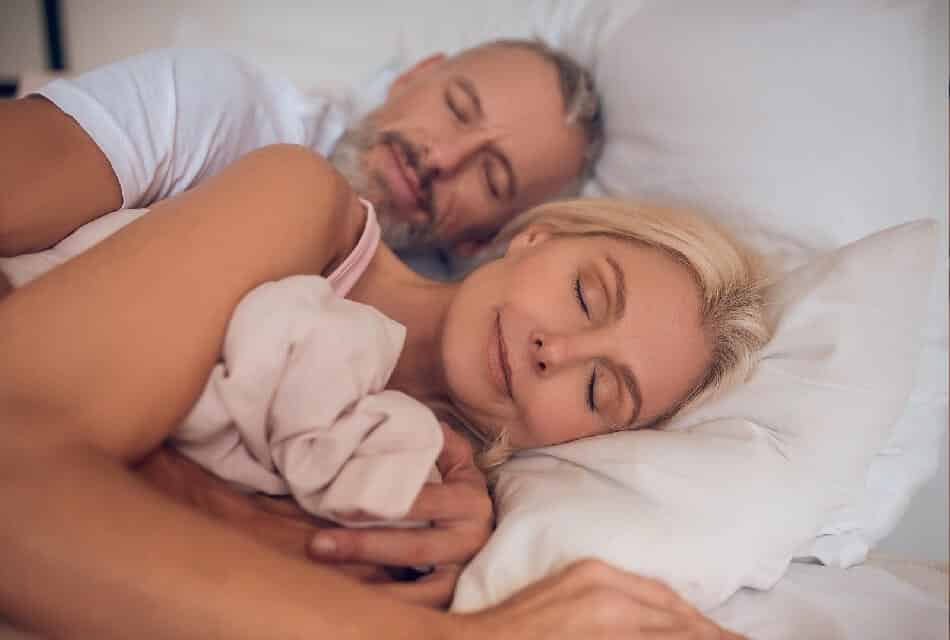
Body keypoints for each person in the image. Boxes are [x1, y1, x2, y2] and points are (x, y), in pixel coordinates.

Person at [0, 144, 763, 638]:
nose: (554, 350)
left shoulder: (423, 514)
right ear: (542, 236)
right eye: (588, 296)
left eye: (599, 390)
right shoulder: (301, 200)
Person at [0, 40, 603, 601]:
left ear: (484, 242)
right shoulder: (223, 110)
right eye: (457, 107)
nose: (441, 158)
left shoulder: (424, 354)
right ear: (415, 75)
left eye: (491, 179)